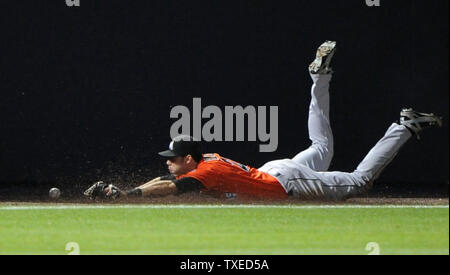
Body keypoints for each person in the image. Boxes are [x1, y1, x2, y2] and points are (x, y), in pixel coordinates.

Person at [84, 41, 442, 201]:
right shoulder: (204, 160)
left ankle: (404, 126)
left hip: (288, 182)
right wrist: (125, 189)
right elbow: (167, 178)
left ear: (190, 159)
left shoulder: (205, 171)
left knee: (359, 182)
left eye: (174, 157)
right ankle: (320, 78)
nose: (169, 162)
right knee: (321, 146)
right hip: (275, 171)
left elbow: (169, 186)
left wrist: (125, 194)